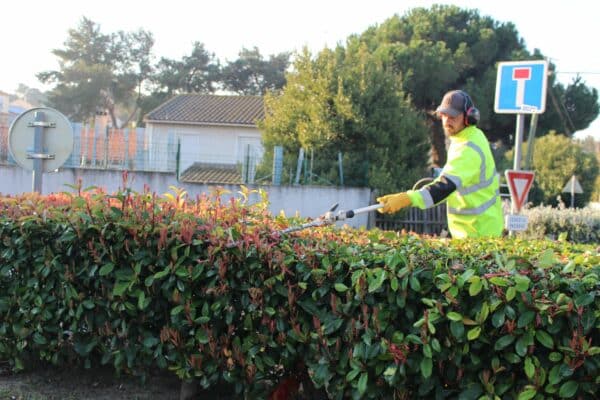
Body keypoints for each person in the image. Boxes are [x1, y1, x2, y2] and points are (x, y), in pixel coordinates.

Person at [377, 90, 503, 238]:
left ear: (468, 118)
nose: (447, 121)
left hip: (480, 233)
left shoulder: (469, 147)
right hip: (476, 231)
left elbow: (444, 187)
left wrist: (408, 198)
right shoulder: (466, 137)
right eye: (444, 115)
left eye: (453, 117)